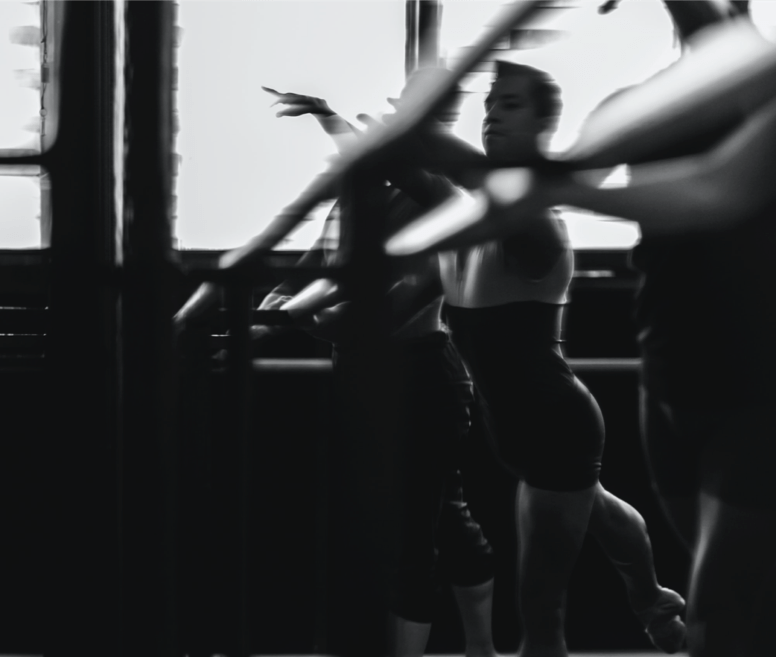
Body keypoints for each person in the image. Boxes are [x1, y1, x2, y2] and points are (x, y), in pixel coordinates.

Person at [439, 60, 684, 657]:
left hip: (552, 425)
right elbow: (437, 179)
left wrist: (401, 134)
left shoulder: (532, 222)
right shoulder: (471, 213)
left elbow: (443, 169)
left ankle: (654, 601)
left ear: (544, 123)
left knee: (540, 619)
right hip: (518, 429)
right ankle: (653, 599)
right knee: (595, 505)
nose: (492, 113)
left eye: (511, 104)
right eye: (489, 103)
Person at [258, 76, 498, 657]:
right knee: (443, 519)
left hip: (419, 378)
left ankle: (474, 648)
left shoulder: (441, 203)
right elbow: (316, 265)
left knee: (413, 535)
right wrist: (273, 306)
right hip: (365, 376)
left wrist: (287, 320)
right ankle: (483, 649)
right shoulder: (358, 194)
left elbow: (375, 313)